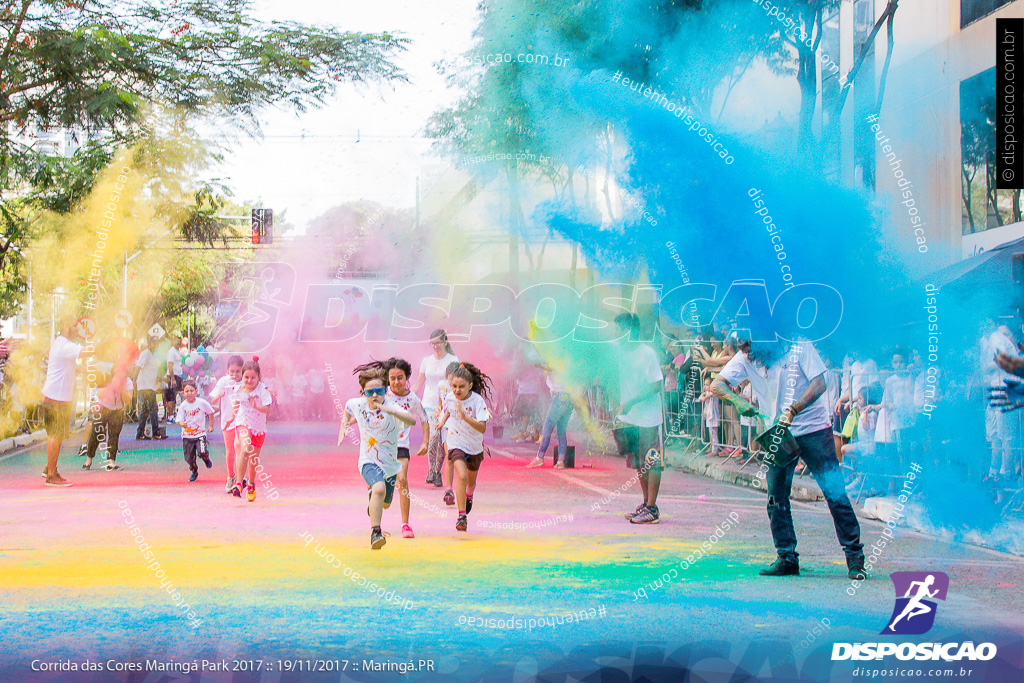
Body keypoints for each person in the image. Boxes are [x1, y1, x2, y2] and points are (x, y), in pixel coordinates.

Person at [711, 335, 865, 579]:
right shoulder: (745, 356)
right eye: (741, 348)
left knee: (835, 493)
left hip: (813, 429)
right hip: (778, 433)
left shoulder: (798, 345)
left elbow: (819, 384)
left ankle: (855, 557)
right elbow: (716, 385)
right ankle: (786, 557)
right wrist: (738, 402)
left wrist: (794, 409)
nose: (746, 353)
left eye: (749, 346)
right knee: (776, 497)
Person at [340, 365, 416, 549]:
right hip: (368, 461)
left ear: (386, 391)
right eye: (370, 392)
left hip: (390, 465)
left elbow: (412, 420)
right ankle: (376, 533)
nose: (374, 395)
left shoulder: (391, 406)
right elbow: (347, 407)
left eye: (379, 391)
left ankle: (373, 499)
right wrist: (343, 425)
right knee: (379, 488)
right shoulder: (358, 404)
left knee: (386, 503)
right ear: (363, 393)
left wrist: (393, 412)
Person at [612, 313, 665, 525]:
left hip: (649, 418)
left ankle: (652, 508)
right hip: (630, 417)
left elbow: (656, 385)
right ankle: (646, 503)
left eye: (618, 330)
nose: (616, 335)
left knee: (652, 462)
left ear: (628, 331)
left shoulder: (647, 353)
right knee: (637, 463)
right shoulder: (619, 353)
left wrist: (633, 401)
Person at [437, 362, 492, 533]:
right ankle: (462, 517)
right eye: (454, 386)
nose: (457, 390)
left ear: (470, 386)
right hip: (455, 441)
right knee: (460, 475)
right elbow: (448, 409)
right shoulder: (450, 397)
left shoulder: (477, 401)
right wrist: (442, 422)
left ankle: (469, 495)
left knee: (470, 479)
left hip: (474, 446)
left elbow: (482, 428)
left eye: (461, 387)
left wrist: (465, 417)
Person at [383, 358, 429, 538]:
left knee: (402, 480)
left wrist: (425, 442)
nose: (396, 382)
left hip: (401, 446)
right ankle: (376, 524)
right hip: (382, 446)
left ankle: (405, 525)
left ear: (407, 377)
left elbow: (424, 420)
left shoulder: (413, 399)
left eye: (400, 378)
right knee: (381, 486)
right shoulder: (382, 394)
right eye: (392, 378)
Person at [40, 319, 85, 487]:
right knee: (55, 435)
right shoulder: (65, 345)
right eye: (74, 325)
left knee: (57, 436)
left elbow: (74, 367)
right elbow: (87, 352)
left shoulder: (63, 345)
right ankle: (51, 475)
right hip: (56, 398)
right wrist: (106, 344)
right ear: (64, 327)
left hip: (59, 398)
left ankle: (49, 468)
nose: (77, 328)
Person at [412, 329, 458, 485]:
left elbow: (455, 383)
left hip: (445, 406)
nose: (435, 346)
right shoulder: (426, 361)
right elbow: (419, 382)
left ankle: (436, 472)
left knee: (441, 439)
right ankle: (432, 469)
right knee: (433, 436)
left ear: (445, 342)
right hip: (428, 404)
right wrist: (405, 395)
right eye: (432, 343)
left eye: (438, 343)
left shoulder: (453, 360)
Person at [83, 341, 138, 472]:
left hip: (117, 410)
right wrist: (111, 386)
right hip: (103, 408)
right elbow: (99, 394)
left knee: (114, 435)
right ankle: (88, 459)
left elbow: (128, 400)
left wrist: (120, 389)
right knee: (97, 433)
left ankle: (111, 461)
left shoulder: (128, 383)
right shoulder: (107, 379)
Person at [228, 357, 273, 502]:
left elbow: (267, 410)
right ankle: (239, 483)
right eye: (246, 377)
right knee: (245, 447)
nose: (249, 380)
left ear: (258, 377)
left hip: (259, 427)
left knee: (253, 459)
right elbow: (236, 404)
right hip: (243, 422)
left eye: (253, 378)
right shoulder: (238, 389)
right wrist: (231, 417)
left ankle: (251, 484)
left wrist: (256, 406)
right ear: (242, 376)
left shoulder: (263, 390)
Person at [983, 323, 1022, 483]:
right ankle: (993, 474)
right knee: (994, 437)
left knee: (1007, 438)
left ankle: (1006, 476)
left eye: (1007, 335)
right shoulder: (990, 345)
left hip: (1007, 395)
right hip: (994, 393)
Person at [526, 367, 575, 469]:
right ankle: (560, 461)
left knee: (547, 428)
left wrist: (538, 363)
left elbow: (547, 367)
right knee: (561, 431)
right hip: (569, 400)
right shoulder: (564, 365)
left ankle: (540, 457)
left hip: (559, 398)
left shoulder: (552, 365)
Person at [209, 355, 245, 492]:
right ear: (227, 370)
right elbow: (212, 401)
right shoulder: (223, 381)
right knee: (230, 450)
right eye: (232, 371)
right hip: (227, 421)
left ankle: (240, 479)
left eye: (238, 371)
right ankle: (231, 476)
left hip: (242, 420)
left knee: (240, 448)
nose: (235, 374)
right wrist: (219, 395)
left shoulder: (245, 381)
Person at [175, 379, 215, 482]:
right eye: (187, 391)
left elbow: (211, 412)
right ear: (183, 393)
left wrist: (211, 426)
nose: (189, 393)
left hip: (200, 434)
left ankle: (206, 458)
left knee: (202, 451)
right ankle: (194, 471)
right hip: (187, 436)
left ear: (196, 391)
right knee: (189, 458)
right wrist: (181, 423)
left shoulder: (202, 403)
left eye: (191, 390)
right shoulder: (183, 406)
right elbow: (179, 419)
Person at [133, 339, 162, 440]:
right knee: (153, 409)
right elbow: (138, 367)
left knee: (145, 410)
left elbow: (152, 371)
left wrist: (160, 379)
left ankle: (140, 433)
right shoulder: (146, 353)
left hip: (150, 386)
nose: (156, 346)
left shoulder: (152, 356)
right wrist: (133, 381)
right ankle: (155, 433)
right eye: (154, 343)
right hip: (145, 386)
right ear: (150, 344)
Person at [697, 376, 721, 457]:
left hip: (713, 416)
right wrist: (702, 394)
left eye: (707, 385)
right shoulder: (707, 393)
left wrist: (702, 395)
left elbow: (703, 399)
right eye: (705, 384)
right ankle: (713, 448)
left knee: (714, 433)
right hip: (709, 416)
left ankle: (715, 450)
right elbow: (701, 397)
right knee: (711, 432)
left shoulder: (713, 392)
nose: (705, 386)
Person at [164, 340, 184, 424]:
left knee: (175, 396)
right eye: (177, 341)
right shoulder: (171, 352)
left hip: (178, 376)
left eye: (180, 341)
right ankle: (170, 417)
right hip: (173, 376)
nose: (178, 343)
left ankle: (173, 415)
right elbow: (170, 365)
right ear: (173, 341)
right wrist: (172, 379)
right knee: (171, 398)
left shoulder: (177, 352)